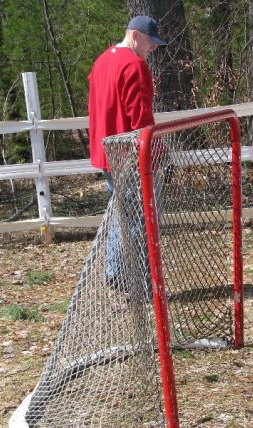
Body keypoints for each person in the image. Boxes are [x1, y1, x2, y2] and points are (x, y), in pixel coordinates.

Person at [87, 15, 167, 297]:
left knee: (118, 213)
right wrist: (154, 151)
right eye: (150, 42)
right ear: (135, 36)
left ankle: (115, 271)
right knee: (137, 218)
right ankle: (133, 278)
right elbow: (139, 116)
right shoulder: (135, 65)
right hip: (130, 155)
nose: (153, 48)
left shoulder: (100, 62)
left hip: (106, 153)